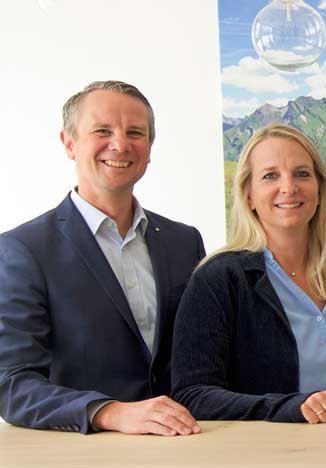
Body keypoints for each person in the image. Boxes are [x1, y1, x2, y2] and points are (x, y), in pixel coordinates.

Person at [0, 81, 205, 435]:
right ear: (69, 143)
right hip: (86, 450)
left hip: (186, 442)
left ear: (150, 147)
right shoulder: (23, 250)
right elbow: (12, 384)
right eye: (102, 131)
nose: (121, 144)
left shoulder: (184, 242)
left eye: (135, 132)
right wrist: (108, 412)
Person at [170, 123, 326, 423]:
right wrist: (289, 408)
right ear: (249, 195)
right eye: (270, 176)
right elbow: (193, 397)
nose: (288, 187)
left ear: (319, 190)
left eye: (302, 174)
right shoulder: (218, 279)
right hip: (279, 450)